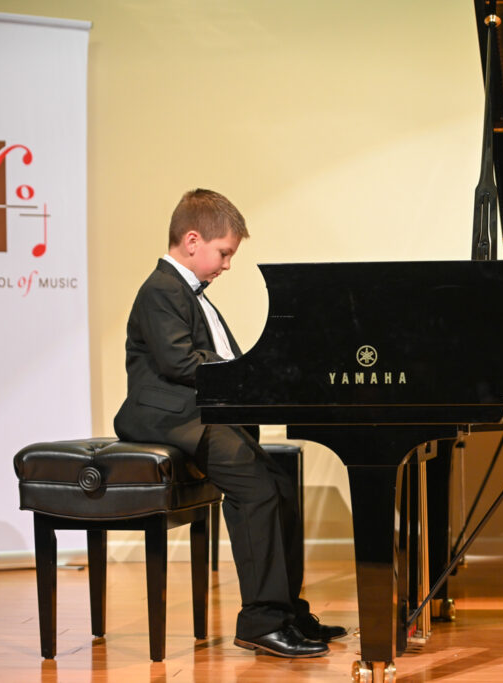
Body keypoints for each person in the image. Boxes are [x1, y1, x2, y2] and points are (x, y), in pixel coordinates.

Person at [113, 188, 345, 658]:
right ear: (192, 241)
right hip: (163, 414)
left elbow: (212, 358)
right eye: (224, 253)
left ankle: (286, 612)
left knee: (280, 485)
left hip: (193, 413)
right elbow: (179, 362)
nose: (227, 264)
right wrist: (243, 371)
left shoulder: (191, 295)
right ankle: (261, 621)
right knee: (255, 487)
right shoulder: (160, 289)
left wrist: (257, 375)